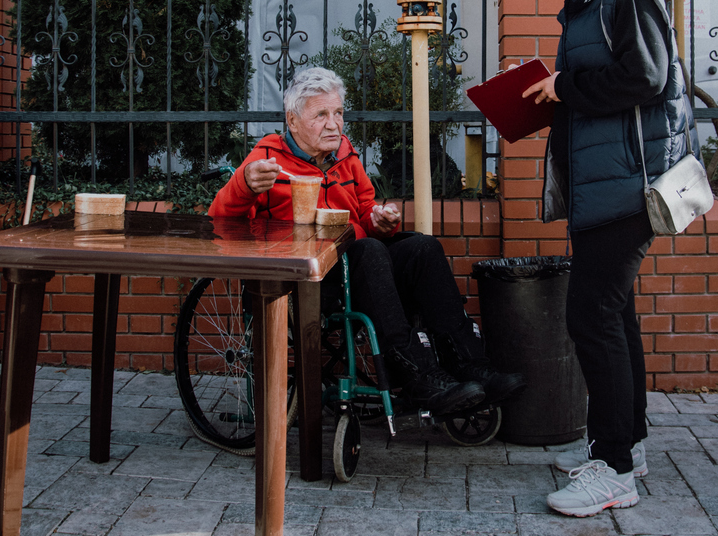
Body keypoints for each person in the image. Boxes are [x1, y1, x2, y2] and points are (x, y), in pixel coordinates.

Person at [209, 67, 525, 417]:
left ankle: (471, 364)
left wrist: (379, 220)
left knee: (423, 247)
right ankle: (418, 375)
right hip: (306, 280)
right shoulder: (267, 159)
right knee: (369, 251)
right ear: (293, 120)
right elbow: (221, 221)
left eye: (338, 113)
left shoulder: (346, 154)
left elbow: (364, 211)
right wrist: (245, 184)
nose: (334, 124)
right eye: (321, 115)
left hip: (360, 271)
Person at [520, 0, 699, 517]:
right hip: (605, 187)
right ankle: (629, 446)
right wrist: (557, 88)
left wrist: (565, 86)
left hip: (628, 188)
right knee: (614, 317)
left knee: (591, 317)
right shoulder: (593, 0)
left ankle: (616, 469)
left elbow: (646, 77)